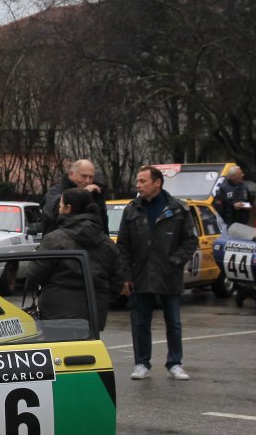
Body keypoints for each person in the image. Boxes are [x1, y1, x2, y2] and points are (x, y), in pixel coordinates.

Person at [116, 166, 195, 381]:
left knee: (173, 322)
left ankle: (175, 363)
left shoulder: (177, 209)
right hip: (140, 275)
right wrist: (126, 276)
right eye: (138, 181)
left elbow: (190, 241)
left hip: (169, 274)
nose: (138, 185)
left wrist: (175, 261)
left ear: (157, 183)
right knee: (140, 322)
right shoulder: (132, 210)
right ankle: (142, 363)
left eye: (143, 181)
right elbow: (123, 245)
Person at [26, 189, 119, 331]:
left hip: (56, 315)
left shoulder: (53, 240)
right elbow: (117, 280)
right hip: (93, 315)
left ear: (68, 208)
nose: (58, 209)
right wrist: (100, 298)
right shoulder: (107, 244)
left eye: (60, 205)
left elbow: (35, 274)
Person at [42, 159, 105, 232]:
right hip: (60, 237)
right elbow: (55, 210)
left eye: (91, 177)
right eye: (84, 176)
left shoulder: (95, 192)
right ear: (71, 174)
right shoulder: (55, 191)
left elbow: (103, 223)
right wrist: (82, 194)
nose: (87, 181)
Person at [211, 165, 256, 229]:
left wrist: (247, 205)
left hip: (243, 223)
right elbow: (219, 208)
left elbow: (250, 202)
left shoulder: (244, 187)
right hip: (229, 224)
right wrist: (233, 205)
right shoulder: (223, 188)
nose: (243, 175)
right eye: (240, 174)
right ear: (233, 177)